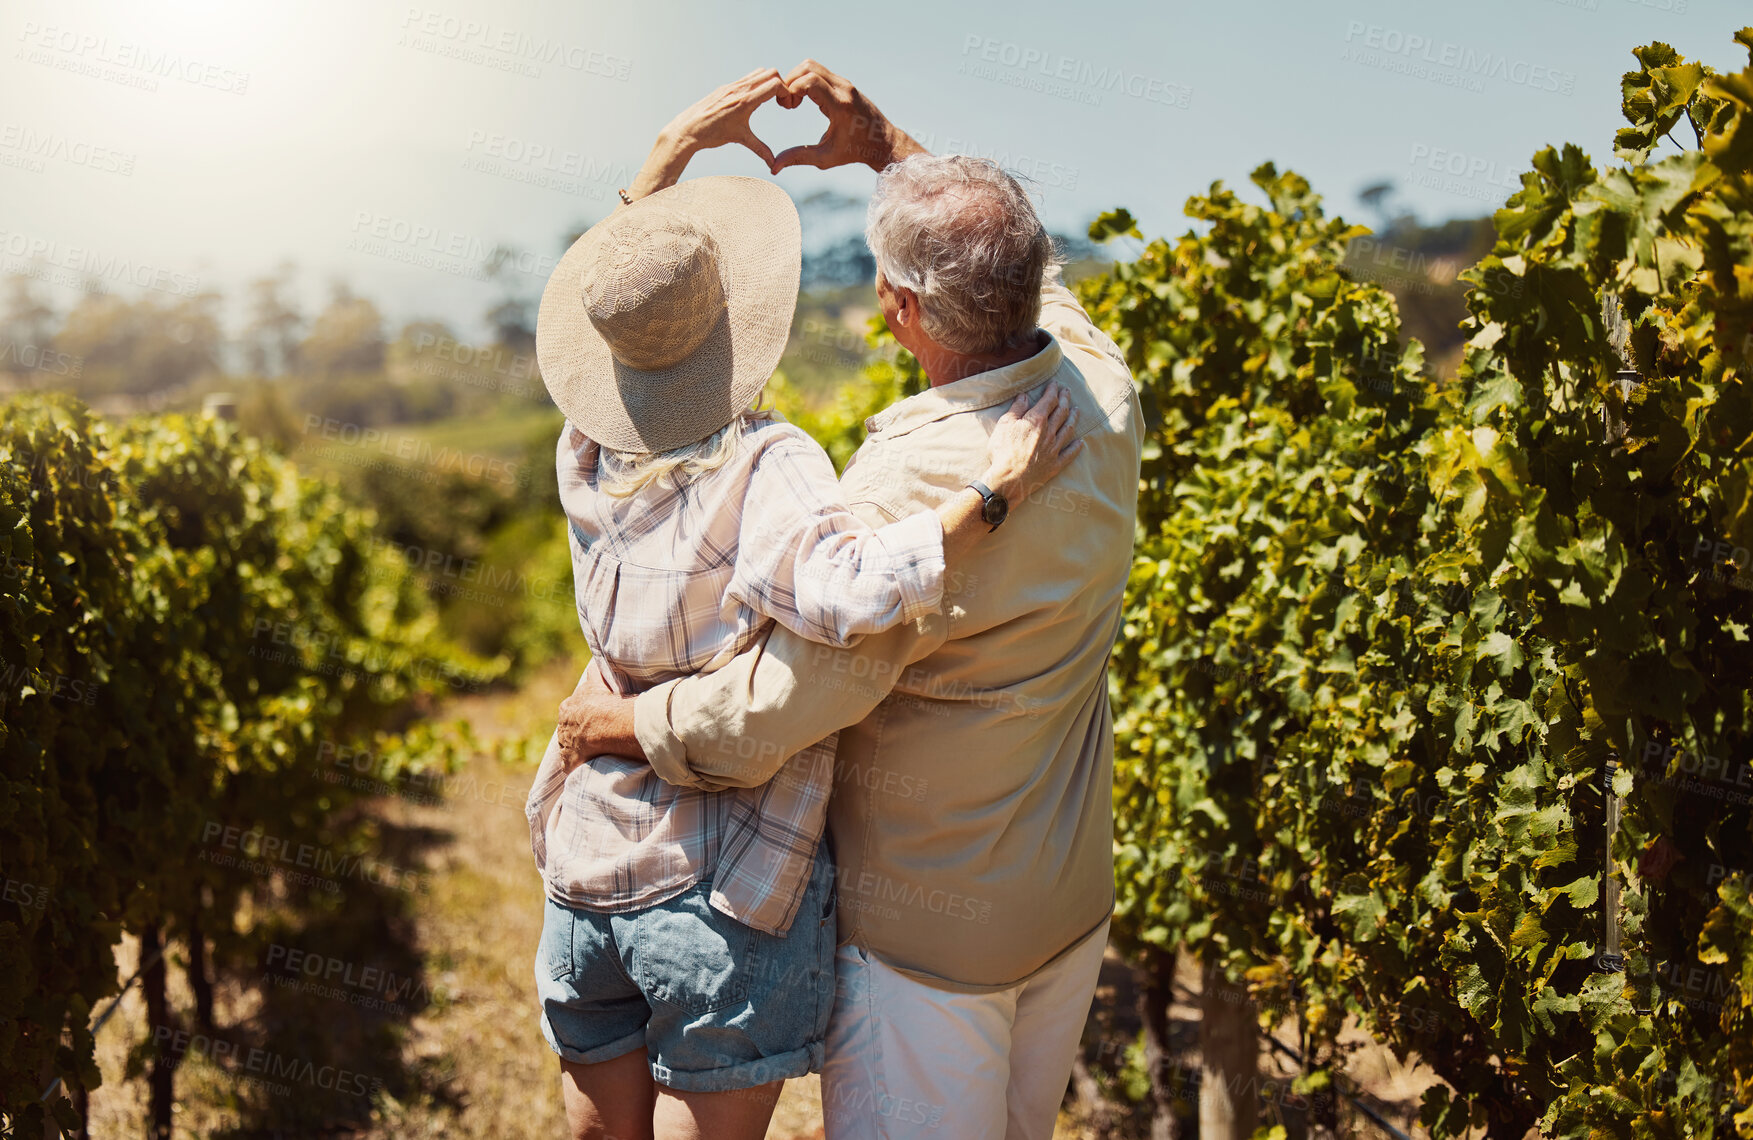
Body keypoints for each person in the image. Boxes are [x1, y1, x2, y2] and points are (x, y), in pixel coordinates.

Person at [557, 60, 1145, 1140]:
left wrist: (628, 721)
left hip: (926, 946)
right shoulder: (1100, 390)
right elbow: (1036, 273)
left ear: (897, 305)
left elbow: (778, 708)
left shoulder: (889, 497)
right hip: (1066, 905)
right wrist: (887, 145)